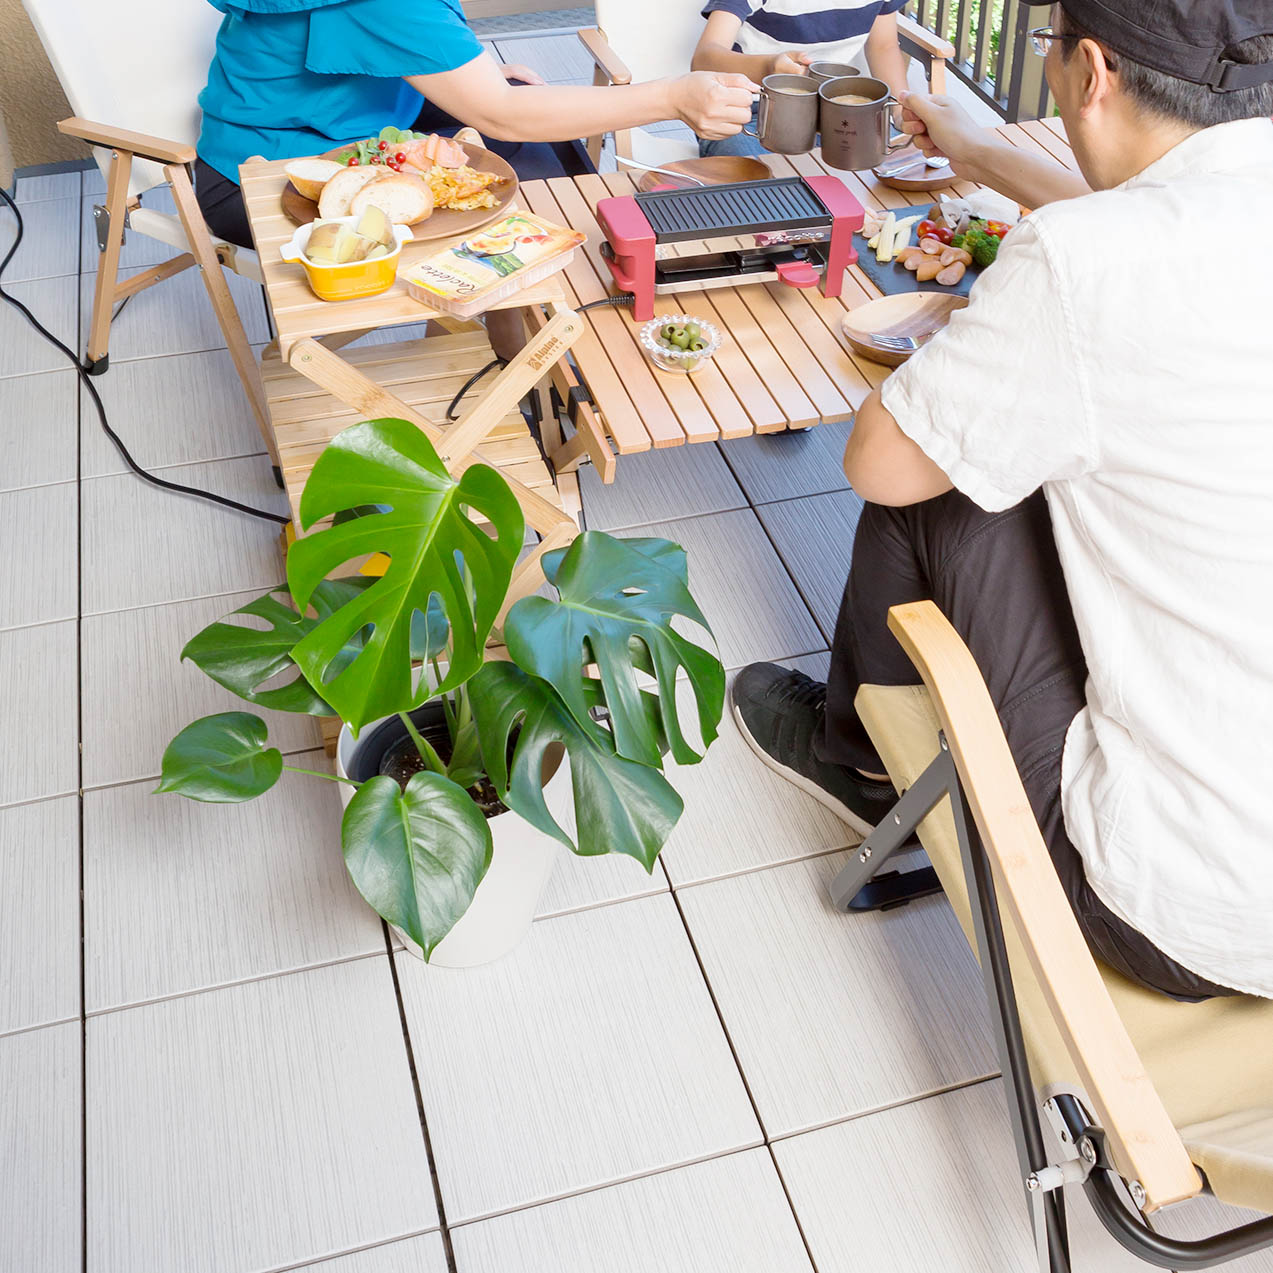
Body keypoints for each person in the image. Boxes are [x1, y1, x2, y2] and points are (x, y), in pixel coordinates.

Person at [732, 0, 1273, 1000]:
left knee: (936, 465)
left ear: (1092, 70)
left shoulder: (1083, 263)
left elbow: (882, 464)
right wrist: (983, 153)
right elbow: (1164, 223)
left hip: (1195, 914)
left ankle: (855, 765)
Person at [194, 0, 757, 249]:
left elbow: (410, 38)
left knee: (546, 156)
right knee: (516, 145)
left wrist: (469, 72)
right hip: (262, 178)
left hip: (345, 123)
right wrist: (674, 98)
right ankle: (517, 328)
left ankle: (516, 330)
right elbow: (500, 115)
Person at [691, 0, 911, 157]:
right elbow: (703, 59)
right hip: (751, 114)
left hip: (834, 115)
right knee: (752, 177)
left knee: (893, 162)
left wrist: (901, 112)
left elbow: (884, 47)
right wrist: (769, 68)